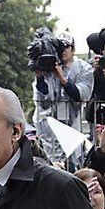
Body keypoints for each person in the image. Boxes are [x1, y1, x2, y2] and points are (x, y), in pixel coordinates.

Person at [33, 32, 94, 171]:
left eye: (66, 47)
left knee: (75, 164)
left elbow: (81, 95)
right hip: (50, 126)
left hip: (73, 124)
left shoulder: (84, 68)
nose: (63, 50)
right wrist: (40, 77)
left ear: (73, 49)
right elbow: (43, 102)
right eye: (59, 47)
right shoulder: (49, 66)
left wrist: (63, 79)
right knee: (51, 164)